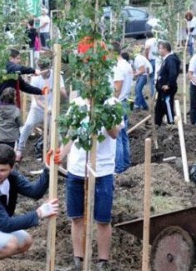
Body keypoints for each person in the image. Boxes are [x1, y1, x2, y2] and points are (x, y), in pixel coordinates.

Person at [59, 98, 123, 271]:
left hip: (102, 170)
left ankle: (103, 263)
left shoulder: (112, 104)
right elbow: (71, 135)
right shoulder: (76, 104)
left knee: (103, 219)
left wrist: (101, 114)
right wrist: (60, 155)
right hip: (76, 169)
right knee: (76, 217)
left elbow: (115, 133)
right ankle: (78, 261)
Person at [16, 58, 66, 162]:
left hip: (52, 110)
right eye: (41, 71)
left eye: (45, 71)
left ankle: (56, 155)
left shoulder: (57, 76)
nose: (43, 73)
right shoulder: (35, 79)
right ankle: (19, 150)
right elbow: (37, 99)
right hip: (37, 109)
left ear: (49, 68)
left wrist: (63, 94)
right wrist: (46, 108)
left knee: (57, 135)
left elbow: (63, 93)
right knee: (28, 125)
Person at [111, 42, 133, 174]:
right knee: (124, 134)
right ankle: (125, 163)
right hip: (124, 101)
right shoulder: (126, 64)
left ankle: (119, 167)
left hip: (118, 102)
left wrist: (111, 101)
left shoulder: (117, 66)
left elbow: (117, 86)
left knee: (117, 136)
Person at [154, 41, 181, 126]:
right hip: (161, 89)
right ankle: (157, 123)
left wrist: (168, 85)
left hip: (167, 89)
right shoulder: (166, 59)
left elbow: (173, 73)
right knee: (159, 107)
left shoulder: (171, 59)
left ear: (165, 49)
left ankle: (171, 123)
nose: (159, 50)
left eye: (160, 48)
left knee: (167, 104)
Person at [144, 31, 160, 99]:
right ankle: (157, 93)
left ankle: (153, 93)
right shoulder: (158, 40)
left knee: (151, 78)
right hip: (159, 60)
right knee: (157, 77)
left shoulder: (148, 41)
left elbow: (147, 48)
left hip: (152, 60)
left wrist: (146, 58)